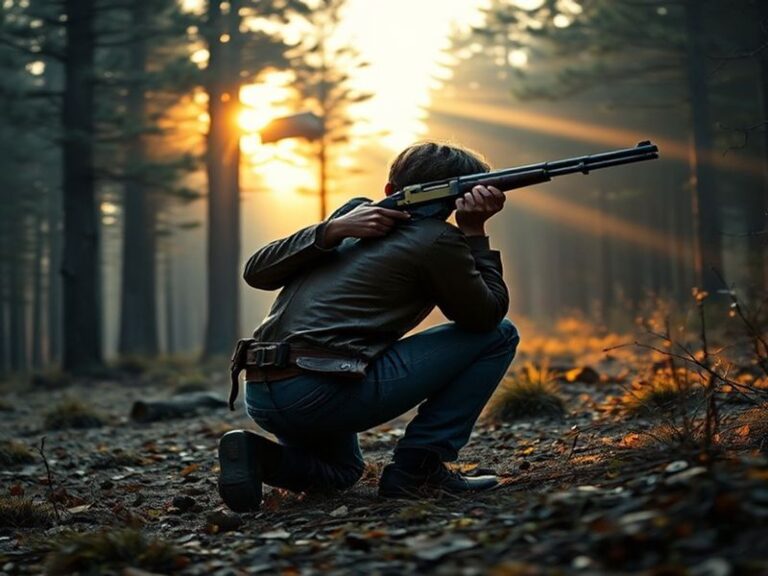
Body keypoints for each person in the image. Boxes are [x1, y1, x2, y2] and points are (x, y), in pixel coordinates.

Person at [218, 141, 520, 512]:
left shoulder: (354, 218)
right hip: (318, 390)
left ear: (390, 190)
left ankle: (255, 455)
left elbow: (254, 272)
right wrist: (474, 231)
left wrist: (333, 229)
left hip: (264, 391)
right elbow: (485, 318)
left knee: (341, 471)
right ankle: (418, 469)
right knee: (500, 335)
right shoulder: (434, 238)